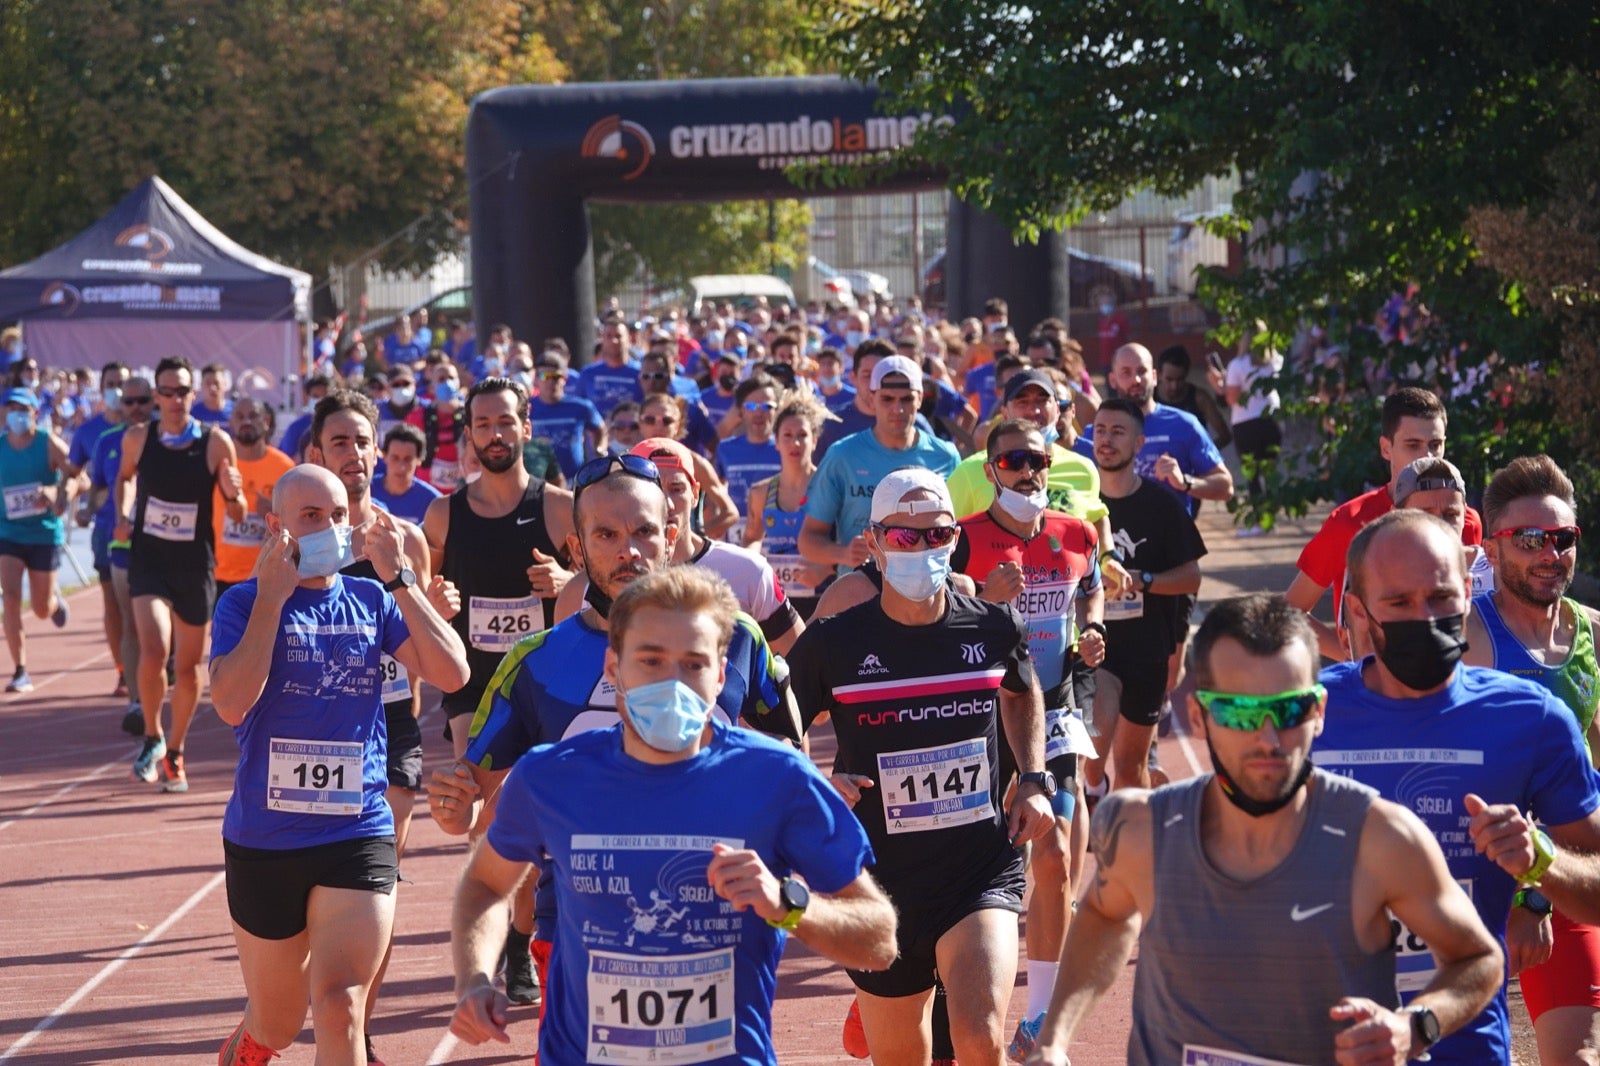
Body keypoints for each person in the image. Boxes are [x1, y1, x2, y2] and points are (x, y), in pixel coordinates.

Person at [1023, 593, 1503, 1066]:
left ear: (1319, 712)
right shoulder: (1140, 827)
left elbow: (1479, 959)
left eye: (1290, 711)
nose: (1269, 738)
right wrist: (1054, 1038)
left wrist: (1415, 1026)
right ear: (1199, 716)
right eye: (1240, 714)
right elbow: (1106, 917)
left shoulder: (1379, 837)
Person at [447, 566, 897, 1062]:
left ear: (721, 674)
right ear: (614, 668)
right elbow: (486, 885)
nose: (672, 682)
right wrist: (474, 979)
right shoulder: (550, 777)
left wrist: (786, 904)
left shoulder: (777, 778)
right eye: (652, 660)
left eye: (693, 664)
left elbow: (879, 938)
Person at [430, 457, 802, 1014]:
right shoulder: (537, 662)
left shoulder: (737, 638)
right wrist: (452, 806)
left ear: (671, 536)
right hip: (578, 936)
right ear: (576, 550)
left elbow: (790, 755)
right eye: (606, 534)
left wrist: (785, 885)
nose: (628, 550)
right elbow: (471, 797)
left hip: (717, 932)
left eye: (644, 531)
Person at [787, 467, 1055, 1066]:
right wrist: (815, 787)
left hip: (978, 868)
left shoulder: (992, 625)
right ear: (876, 542)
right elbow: (775, 731)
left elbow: (1020, 690)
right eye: (906, 539)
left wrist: (1033, 780)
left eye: (936, 536)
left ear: (955, 538)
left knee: (980, 1038)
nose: (923, 550)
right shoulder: (834, 643)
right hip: (878, 882)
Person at [1318, 509, 1600, 1064]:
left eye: (1441, 598)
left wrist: (1541, 863)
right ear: (1356, 610)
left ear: (1468, 597)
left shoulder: (1530, 720)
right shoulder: (1306, 716)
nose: (1424, 617)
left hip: (1465, 1046)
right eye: (1399, 603)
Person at [211, 467, 468, 1066]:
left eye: (337, 515)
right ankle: (251, 1040)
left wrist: (401, 578)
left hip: (356, 829)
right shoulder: (243, 603)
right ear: (277, 528)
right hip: (266, 838)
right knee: (279, 1024)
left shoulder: (371, 598)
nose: (329, 528)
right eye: (310, 518)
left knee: (339, 1006)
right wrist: (272, 598)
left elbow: (453, 674)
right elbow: (229, 702)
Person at [948, 419, 1105, 1056]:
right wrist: (983, 596)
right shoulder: (961, 541)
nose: (1028, 472)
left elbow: (1092, 592)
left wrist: (1093, 632)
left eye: (1037, 461)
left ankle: (1041, 1021)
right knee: (968, 864)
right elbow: (934, 621)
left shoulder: (1078, 533)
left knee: (1057, 854)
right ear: (991, 471)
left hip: (1054, 709)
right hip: (979, 717)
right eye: (1013, 461)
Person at [1463, 455, 1600, 1065]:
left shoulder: (1593, 632)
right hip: (1469, 885)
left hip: (1565, 877)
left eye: (1562, 538)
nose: (1549, 553)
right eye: (1529, 539)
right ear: (1492, 547)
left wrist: (1543, 895)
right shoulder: (1465, 638)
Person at [423, 376, 575, 763]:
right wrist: (432, 602)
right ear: (470, 433)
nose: (495, 435)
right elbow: (420, 599)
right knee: (475, 798)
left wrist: (569, 582)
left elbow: (606, 591)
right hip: (472, 684)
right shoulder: (443, 515)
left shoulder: (562, 510)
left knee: (539, 800)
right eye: (484, 424)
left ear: (526, 428)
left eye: (505, 422)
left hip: (546, 680)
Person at [116, 357, 246, 791]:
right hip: (149, 560)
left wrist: (234, 493)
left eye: (183, 391)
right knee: (154, 649)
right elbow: (125, 479)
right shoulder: (139, 437)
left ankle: (175, 750)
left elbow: (237, 509)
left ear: (194, 394)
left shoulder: (215, 443)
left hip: (194, 565)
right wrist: (122, 509)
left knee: (188, 670)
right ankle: (152, 736)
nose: (175, 399)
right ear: (156, 396)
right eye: (167, 392)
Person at [1285, 386, 1484, 661]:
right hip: (1368, 689)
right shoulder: (1350, 521)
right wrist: (1354, 656)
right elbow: (1291, 610)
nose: (1427, 456)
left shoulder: (1466, 520)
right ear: (1386, 448)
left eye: (1435, 445)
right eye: (1413, 445)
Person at [1087, 399, 1206, 793]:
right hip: (1093, 648)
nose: (1106, 439)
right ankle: (1091, 790)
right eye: (1100, 430)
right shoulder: (1077, 506)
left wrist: (1144, 579)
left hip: (1146, 650)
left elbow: (1191, 577)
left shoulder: (1162, 506)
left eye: (1117, 432)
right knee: (1091, 755)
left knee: (1132, 767)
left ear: (1139, 443)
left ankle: (1124, 843)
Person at [799, 355, 960, 576]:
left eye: (906, 399)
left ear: (920, 399)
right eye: (887, 399)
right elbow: (809, 539)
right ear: (871, 398)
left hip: (927, 594)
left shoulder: (946, 456)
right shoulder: (842, 455)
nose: (897, 408)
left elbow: (959, 534)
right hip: (860, 594)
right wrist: (842, 553)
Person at [0, 387, 73, 693]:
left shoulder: (48, 443)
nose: (16, 413)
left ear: (34, 412)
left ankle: (54, 604)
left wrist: (58, 493)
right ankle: (20, 670)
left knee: (41, 608)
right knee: (12, 597)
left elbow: (77, 475)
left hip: (44, 533)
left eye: (23, 408)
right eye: (11, 407)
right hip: (9, 534)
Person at [90, 376, 152, 730]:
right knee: (131, 622)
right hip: (123, 541)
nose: (136, 407)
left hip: (168, 544)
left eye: (142, 400)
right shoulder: (107, 442)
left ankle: (161, 673)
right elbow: (98, 487)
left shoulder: (167, 439)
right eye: (129, 402)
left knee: (165, 628)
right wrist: (92, 508)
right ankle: (135, 702)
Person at [744, 396, 835, 620]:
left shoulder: (831, 489)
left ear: (814, 441)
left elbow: (849, 543)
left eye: (802, 436)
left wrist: (825, 569)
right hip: (777, 602)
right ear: (775, 441)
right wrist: (754, 562)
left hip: (823, 597)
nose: (795, 443)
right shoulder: (761, 493)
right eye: (787, 436)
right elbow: (752, 537)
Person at [1224, 322, 1284, 532]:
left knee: (1252, 474)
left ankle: (1259, 522)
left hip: (1246, 422)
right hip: (1272, 420)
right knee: (1269, 471)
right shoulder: (1276, 362)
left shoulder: (1238, 365)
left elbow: (1232, 398)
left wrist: (1220, 385)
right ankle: (1270, 519)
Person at [715, 375, 784, 523]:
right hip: (735, 539)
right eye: (751, 406)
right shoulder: (725, 448)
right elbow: (713, 499)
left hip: (778, 536)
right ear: (741, 412)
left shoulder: (789, 450)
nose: (759, 413)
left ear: (778, 410)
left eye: (767, 406)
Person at [526, 351, 604, 479]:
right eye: (545, 376)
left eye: (556, 377)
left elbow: (600, 428)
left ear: (565, 379)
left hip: (574, 481)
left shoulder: (581, 407)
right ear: (536, 379)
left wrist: (599, 449)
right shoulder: (526, 408)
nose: (551, 382)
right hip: (537, 481)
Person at [1153, 344, 1231, 450]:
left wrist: (1202, 456)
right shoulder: (1149, 397)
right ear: (1158, 375)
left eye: (1180, 379)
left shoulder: (1199, 398)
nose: (1174, 386)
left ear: (1186, 375)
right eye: (1169, 379)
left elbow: (1225, 435)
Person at [370, 423, 442, 525]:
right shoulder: (366, 491)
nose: (401, 467)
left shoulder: (433, 502)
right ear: (384, 456)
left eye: (408, 459)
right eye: (395, 458)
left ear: (419, 460)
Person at [574, 319, 643, 415]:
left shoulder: (641, 373)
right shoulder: (587, 373)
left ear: (629, 339)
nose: (613, 341)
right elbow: (578, 408)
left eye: (618, 336)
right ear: (602, 339)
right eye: (608, 336)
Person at [279, 374, 332, 462]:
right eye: (315, 396)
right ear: (306, 397)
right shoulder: (296, 428)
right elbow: (285, 461)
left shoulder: (338, 426)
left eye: (324, 397)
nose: (320, 401)